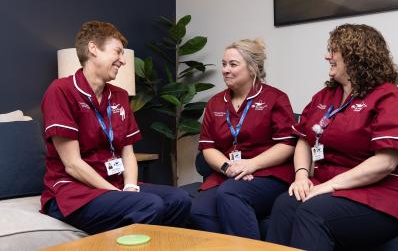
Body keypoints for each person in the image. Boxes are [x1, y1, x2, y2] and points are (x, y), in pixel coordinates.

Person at [266, 24, 398, 250]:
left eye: (334, 50)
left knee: (313, 212)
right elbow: (303, 138)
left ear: (355, 56)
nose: (327, 56)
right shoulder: (325, 96)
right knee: (285, 204)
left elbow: (386, 162)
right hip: (334, 186)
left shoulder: (389, 96)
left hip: (385, 191)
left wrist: (327, 187)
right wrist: (302, 176)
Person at [40, 21, 191, 234]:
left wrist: (130, 187)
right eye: (118, 52)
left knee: (180, 199)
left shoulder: (119, 96)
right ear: (93, 49)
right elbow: (72, 164)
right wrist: (120, 195)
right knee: (149, 205)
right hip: (73, 192)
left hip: (115, 185)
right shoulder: (61, 91)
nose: (123, 60)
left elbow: (127, 153)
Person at [189, 39, 296, 239]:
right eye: (223, 64)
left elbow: (287, 144)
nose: (225, 70)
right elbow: (208, 147)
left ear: (252, 68)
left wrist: (251, 165)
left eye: (233, 64)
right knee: (198, 209)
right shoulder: (215, 103)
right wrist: (228, 167)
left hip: (268, 173)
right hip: (229, 173)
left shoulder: (275, 98)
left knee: (230, 193)